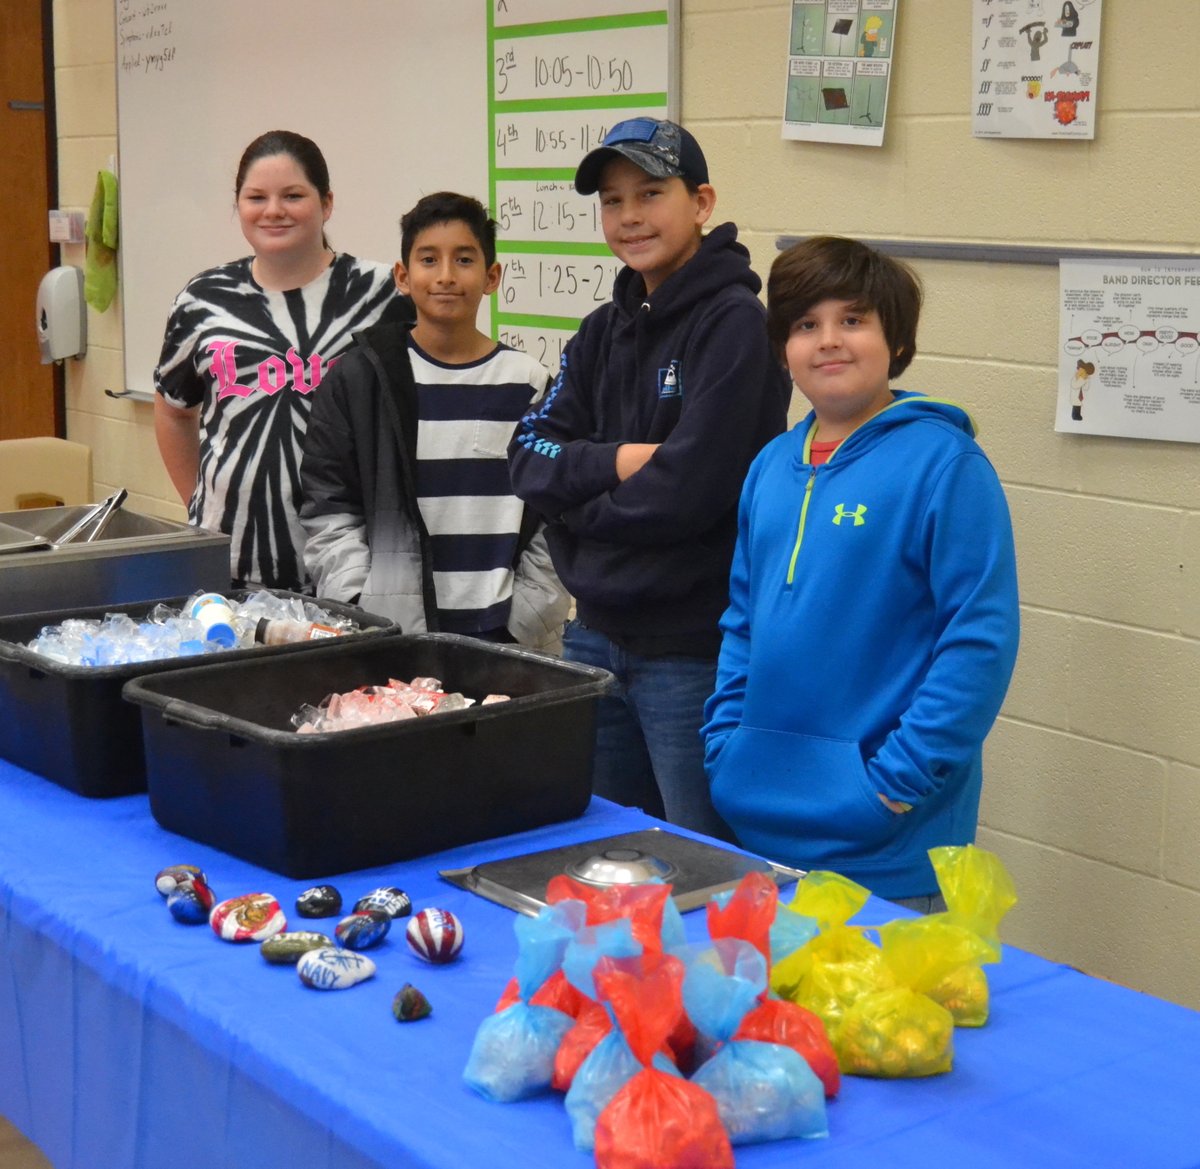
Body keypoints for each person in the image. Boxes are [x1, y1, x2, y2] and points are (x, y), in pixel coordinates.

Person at [701, 235, 1020, 908]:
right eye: (805, 325)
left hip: (890, 853)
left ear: (894, 340)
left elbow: (978, 644)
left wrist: (894, 783)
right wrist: (725, 747)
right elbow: (742, 622)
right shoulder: (769, 467)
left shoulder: (946, 465)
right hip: (761, 835)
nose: (829, 341)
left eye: (853, 320)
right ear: (783, 347)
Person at [508, 117, 790, 836]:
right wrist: (613, 463)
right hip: (594, 637)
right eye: (611, 200)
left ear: (701, 202)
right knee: (602, 854)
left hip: (689, 652)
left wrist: (573, 504)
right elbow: (525, 455)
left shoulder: (735, 325)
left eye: (650, 193)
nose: (629, 216)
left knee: (703, 864)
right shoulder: (603, 328)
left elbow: (687, 492)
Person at [299, 192, 569, 651]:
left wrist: (526, 616)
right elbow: (328, 508)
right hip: (391, 642)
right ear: (403, 277)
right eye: (429, 259)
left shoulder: (530, 383)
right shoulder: (361, 380)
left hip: (507, 640)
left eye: (464, 259)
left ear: (491, 276)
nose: (446, 276)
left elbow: (558, 510)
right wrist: (362, 603)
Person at [154, 130, 404, 590]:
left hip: (349, 564)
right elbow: (173, 410)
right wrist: (202, 503)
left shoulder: (383, 294)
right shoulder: (203, 300)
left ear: (326, 204)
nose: (273, 210)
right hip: (229, 564)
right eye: (256, 197)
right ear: (239, 206)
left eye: (293, 195)